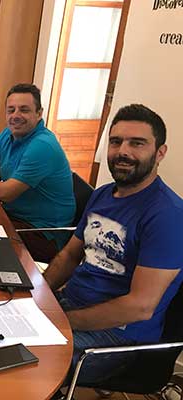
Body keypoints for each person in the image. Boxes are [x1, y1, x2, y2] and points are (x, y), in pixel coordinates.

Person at [43, 104, 183, 390]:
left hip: (115, 338)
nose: (123, 151)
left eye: (137, 143)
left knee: (14, 364)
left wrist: (62, 321)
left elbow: (139, 307)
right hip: (71, 306)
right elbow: (70, 254)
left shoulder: (168, 215)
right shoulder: (103, 195)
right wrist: (37, 298)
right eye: (116, 141)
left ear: (160, 153)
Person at [0, 83, 75, 262]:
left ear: (39, 113)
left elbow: (6, 192)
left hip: (42, 233)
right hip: (14, 215)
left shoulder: (42, 145)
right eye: (11, 110)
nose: (15, 115)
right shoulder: (9, 134)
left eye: (24, 110)